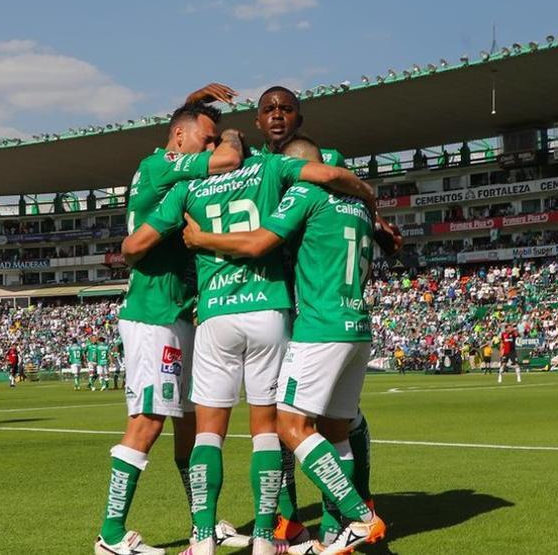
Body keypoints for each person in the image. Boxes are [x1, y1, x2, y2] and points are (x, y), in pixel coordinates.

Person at [123, 134, 377, 555]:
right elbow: (327, 175)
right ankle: (265, 537)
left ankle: (202, 537)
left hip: (215, 314)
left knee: (208, 433)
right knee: (267, 432)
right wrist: (368, 193)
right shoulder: (271, 170)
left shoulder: (189, 187)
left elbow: (134, 245)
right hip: (269, 309)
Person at [93, 86, 245, 555]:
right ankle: (112, 535)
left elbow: (189, 124)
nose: (211, 145)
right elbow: (227, 162)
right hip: (154, 315)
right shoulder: (160, 165)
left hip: (179, 315)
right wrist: (234, 136)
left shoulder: (169, 169)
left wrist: (195, 102)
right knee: (148, 422)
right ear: (179, 137)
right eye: (206, 138)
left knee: (192, 423)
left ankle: (203, 524)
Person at [247, 87, 397, 544]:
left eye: (285, 108)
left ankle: (352, 510)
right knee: (317, 421)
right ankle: (296, 519)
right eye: (269, 109)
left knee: (298, 421)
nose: (277, 115)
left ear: (299, 116)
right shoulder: (250, 163)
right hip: (297, 304)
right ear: (258, 121)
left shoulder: (321, 165)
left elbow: (262, 240)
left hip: (313, 308)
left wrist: (377, 212)